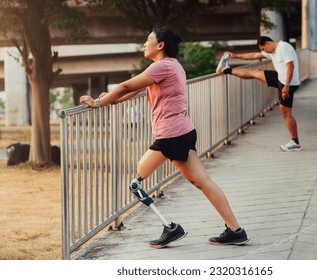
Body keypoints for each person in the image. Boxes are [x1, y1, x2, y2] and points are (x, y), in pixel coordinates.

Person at [80, 26, 249, 248]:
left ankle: (170, 228)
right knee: (203, 182)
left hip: (170, 135)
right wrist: (110, 98)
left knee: (135, 184)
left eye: (148, 39)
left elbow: (125, 85)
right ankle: (235, 230)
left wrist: (99, 102)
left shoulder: (162, 66)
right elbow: (134, 91)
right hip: (183, 132)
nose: (144, 44)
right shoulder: (171, 66)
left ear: (160, 45)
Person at [217, 36, 301, 152]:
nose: (264, 51)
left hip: (289, 83)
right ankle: (225, 69)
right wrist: (235, 56)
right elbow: (254, 55)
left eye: (263, 48)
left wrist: (286, 85)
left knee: (285, 112)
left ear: (267, 43)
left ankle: (295, 143)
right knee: (255, 73)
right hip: (280, 78)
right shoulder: (271, 51)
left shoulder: (284, 47)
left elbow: (290, 66)